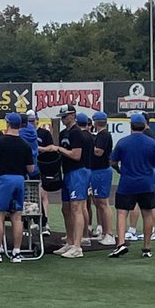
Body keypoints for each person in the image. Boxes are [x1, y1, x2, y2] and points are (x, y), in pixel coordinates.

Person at [0, 112, 35, 264]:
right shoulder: (24, 144)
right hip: (19, 180)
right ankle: (16, 253)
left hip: (3, 180)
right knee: (17, 217)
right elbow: (31, 169)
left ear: (7, 124)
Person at [109, 113, 155, 259]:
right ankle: (146, 247)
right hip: (146, 183)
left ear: (131, 125)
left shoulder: (123, 142)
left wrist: (119, 169)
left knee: (122, 212)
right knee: (147, 214)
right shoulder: (151, 142)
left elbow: (113, 161)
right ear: (144, 125)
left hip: (127, 183)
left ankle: (120, 244)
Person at [44, 105, 90, 259]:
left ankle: (78, 245)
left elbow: (76, 155)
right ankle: (70, 242)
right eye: (62, 117)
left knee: (76, 207)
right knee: (66, 208)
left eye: (65, 116)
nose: (63, 119)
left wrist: (57, 148)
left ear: (73, 116)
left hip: (78, 172)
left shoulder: (77, 133)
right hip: (68, 173)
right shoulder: (65, 132)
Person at [125, 113, 155, 242]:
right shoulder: (151, 134)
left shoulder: (146, 135)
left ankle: (132, 230)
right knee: (151, 202)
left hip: (143, 172)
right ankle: (151, 231)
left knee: (138, 201)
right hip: (151, 171)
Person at [89, 111, 115, 246]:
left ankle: (109, 234)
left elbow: (98, 152)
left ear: (95, 122)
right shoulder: (101, 135)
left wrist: (88, 146)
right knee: (99, 203)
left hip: (101, 171)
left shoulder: (103, 135)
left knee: (103, 203)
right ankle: (105, 232)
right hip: (99, 171)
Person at [36, 116, 60, 236]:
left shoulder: (43, 133)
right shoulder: (21, 131)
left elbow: (51, 147)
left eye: (33, 120)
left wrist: (38, 148)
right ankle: (31, 223)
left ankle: (45, 222)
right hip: (27, 167)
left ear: (36, 120)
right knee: (28, 196)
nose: (31, 122)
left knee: (43, 194)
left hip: (42, 166)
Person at [75, 113, 95, 249]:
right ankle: (86, 232)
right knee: (85, 205)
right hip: (89, 169)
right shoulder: (91, 137)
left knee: (81, 206)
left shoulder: (80, 136)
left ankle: (84, 235)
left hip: (81, 171)